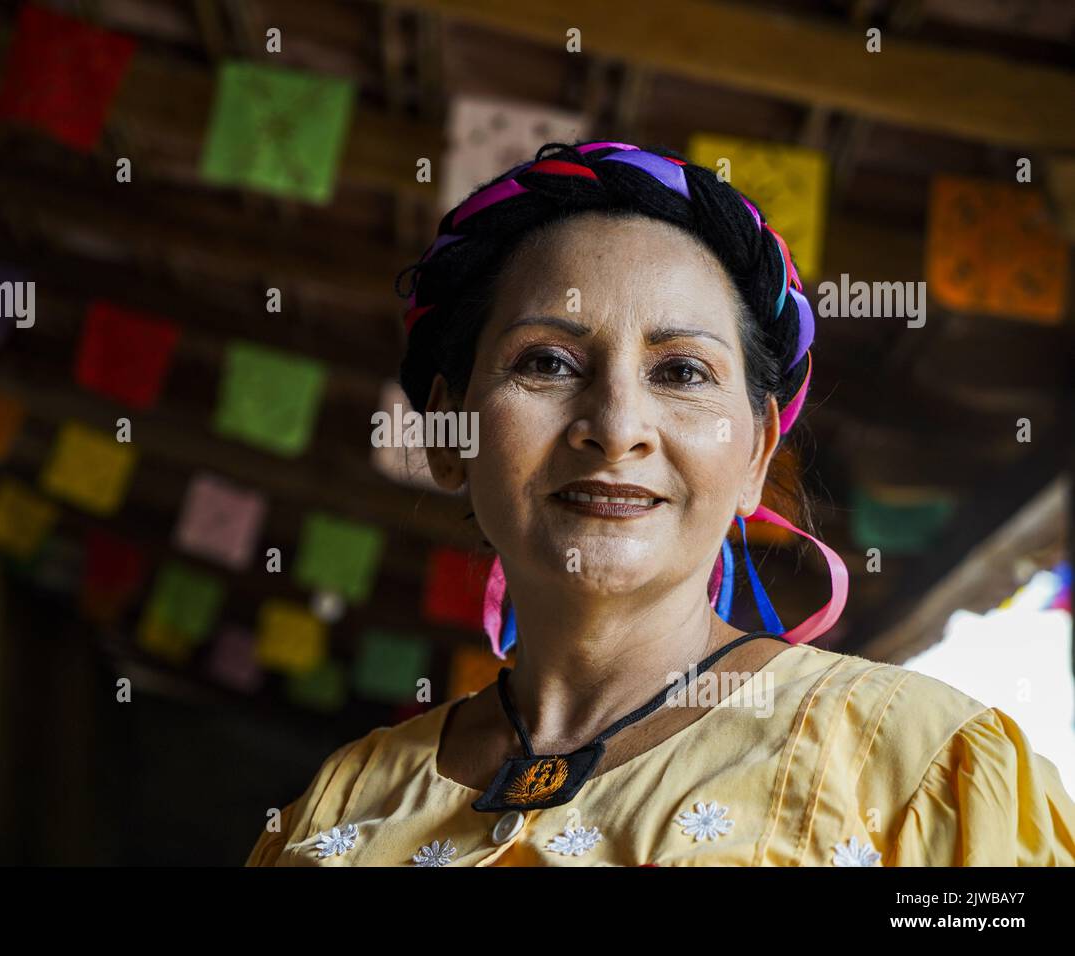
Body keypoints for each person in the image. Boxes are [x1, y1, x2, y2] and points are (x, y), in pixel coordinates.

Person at [245, 141, 1075, 866]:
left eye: (681, 372)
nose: (616, 428)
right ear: (447, 433)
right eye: (547, 362)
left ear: (756, 457)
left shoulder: (919, 768)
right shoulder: (344, 799)